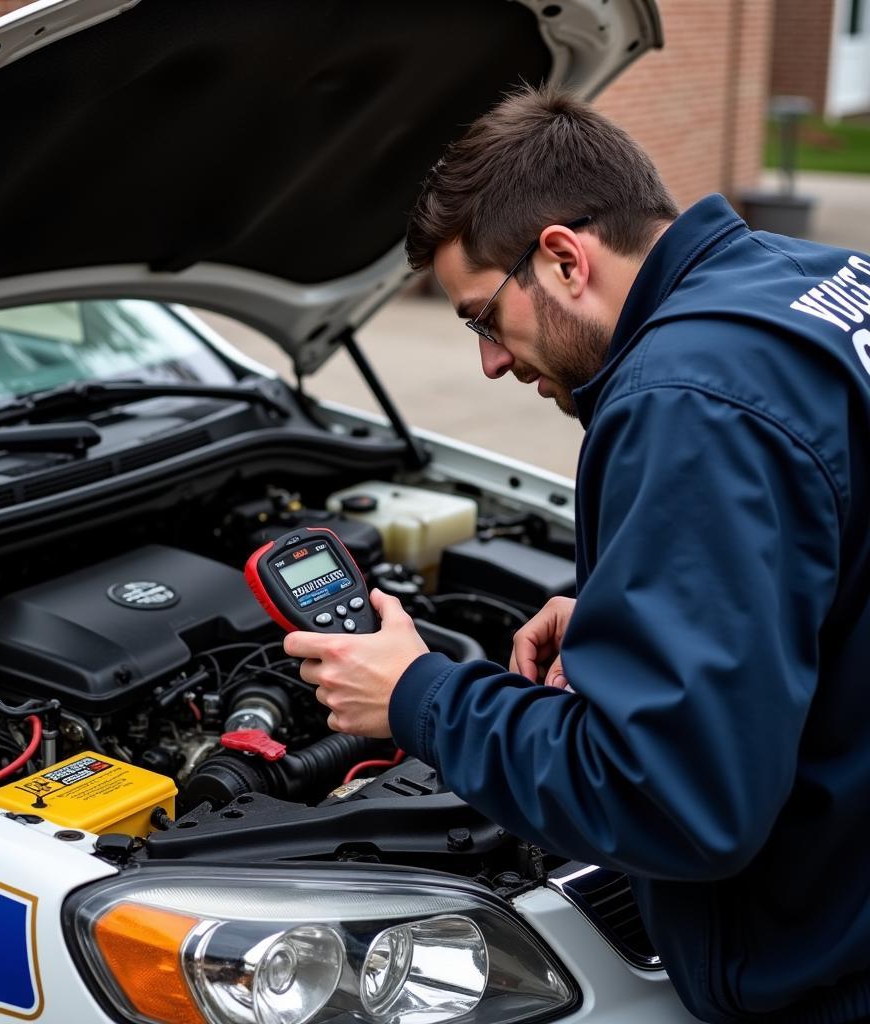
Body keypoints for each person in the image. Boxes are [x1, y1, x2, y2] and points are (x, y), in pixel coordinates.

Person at [283, 86, 870, 1023]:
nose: (488, 362)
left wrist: (418, 697)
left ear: (561, 257)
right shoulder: (817, 283)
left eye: (480, 317)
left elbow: (678, 802)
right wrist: (622, 601)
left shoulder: (686, 403)